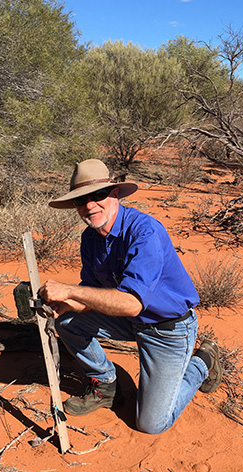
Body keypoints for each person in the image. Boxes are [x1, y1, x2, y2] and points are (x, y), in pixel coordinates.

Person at [38, 159, 222, 434]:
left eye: (98, 195)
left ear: (114, 195)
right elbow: (92, 295)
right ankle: (106, 385)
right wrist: (62, 305)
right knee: (66, 323)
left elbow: (132, 303)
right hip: (129, 322)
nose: (90, 206)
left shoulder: (144, 231)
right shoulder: (90, 238)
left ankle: (203, 361)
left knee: (151, 424)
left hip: (167, 328)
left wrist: (70, 290)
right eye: (81, 200)